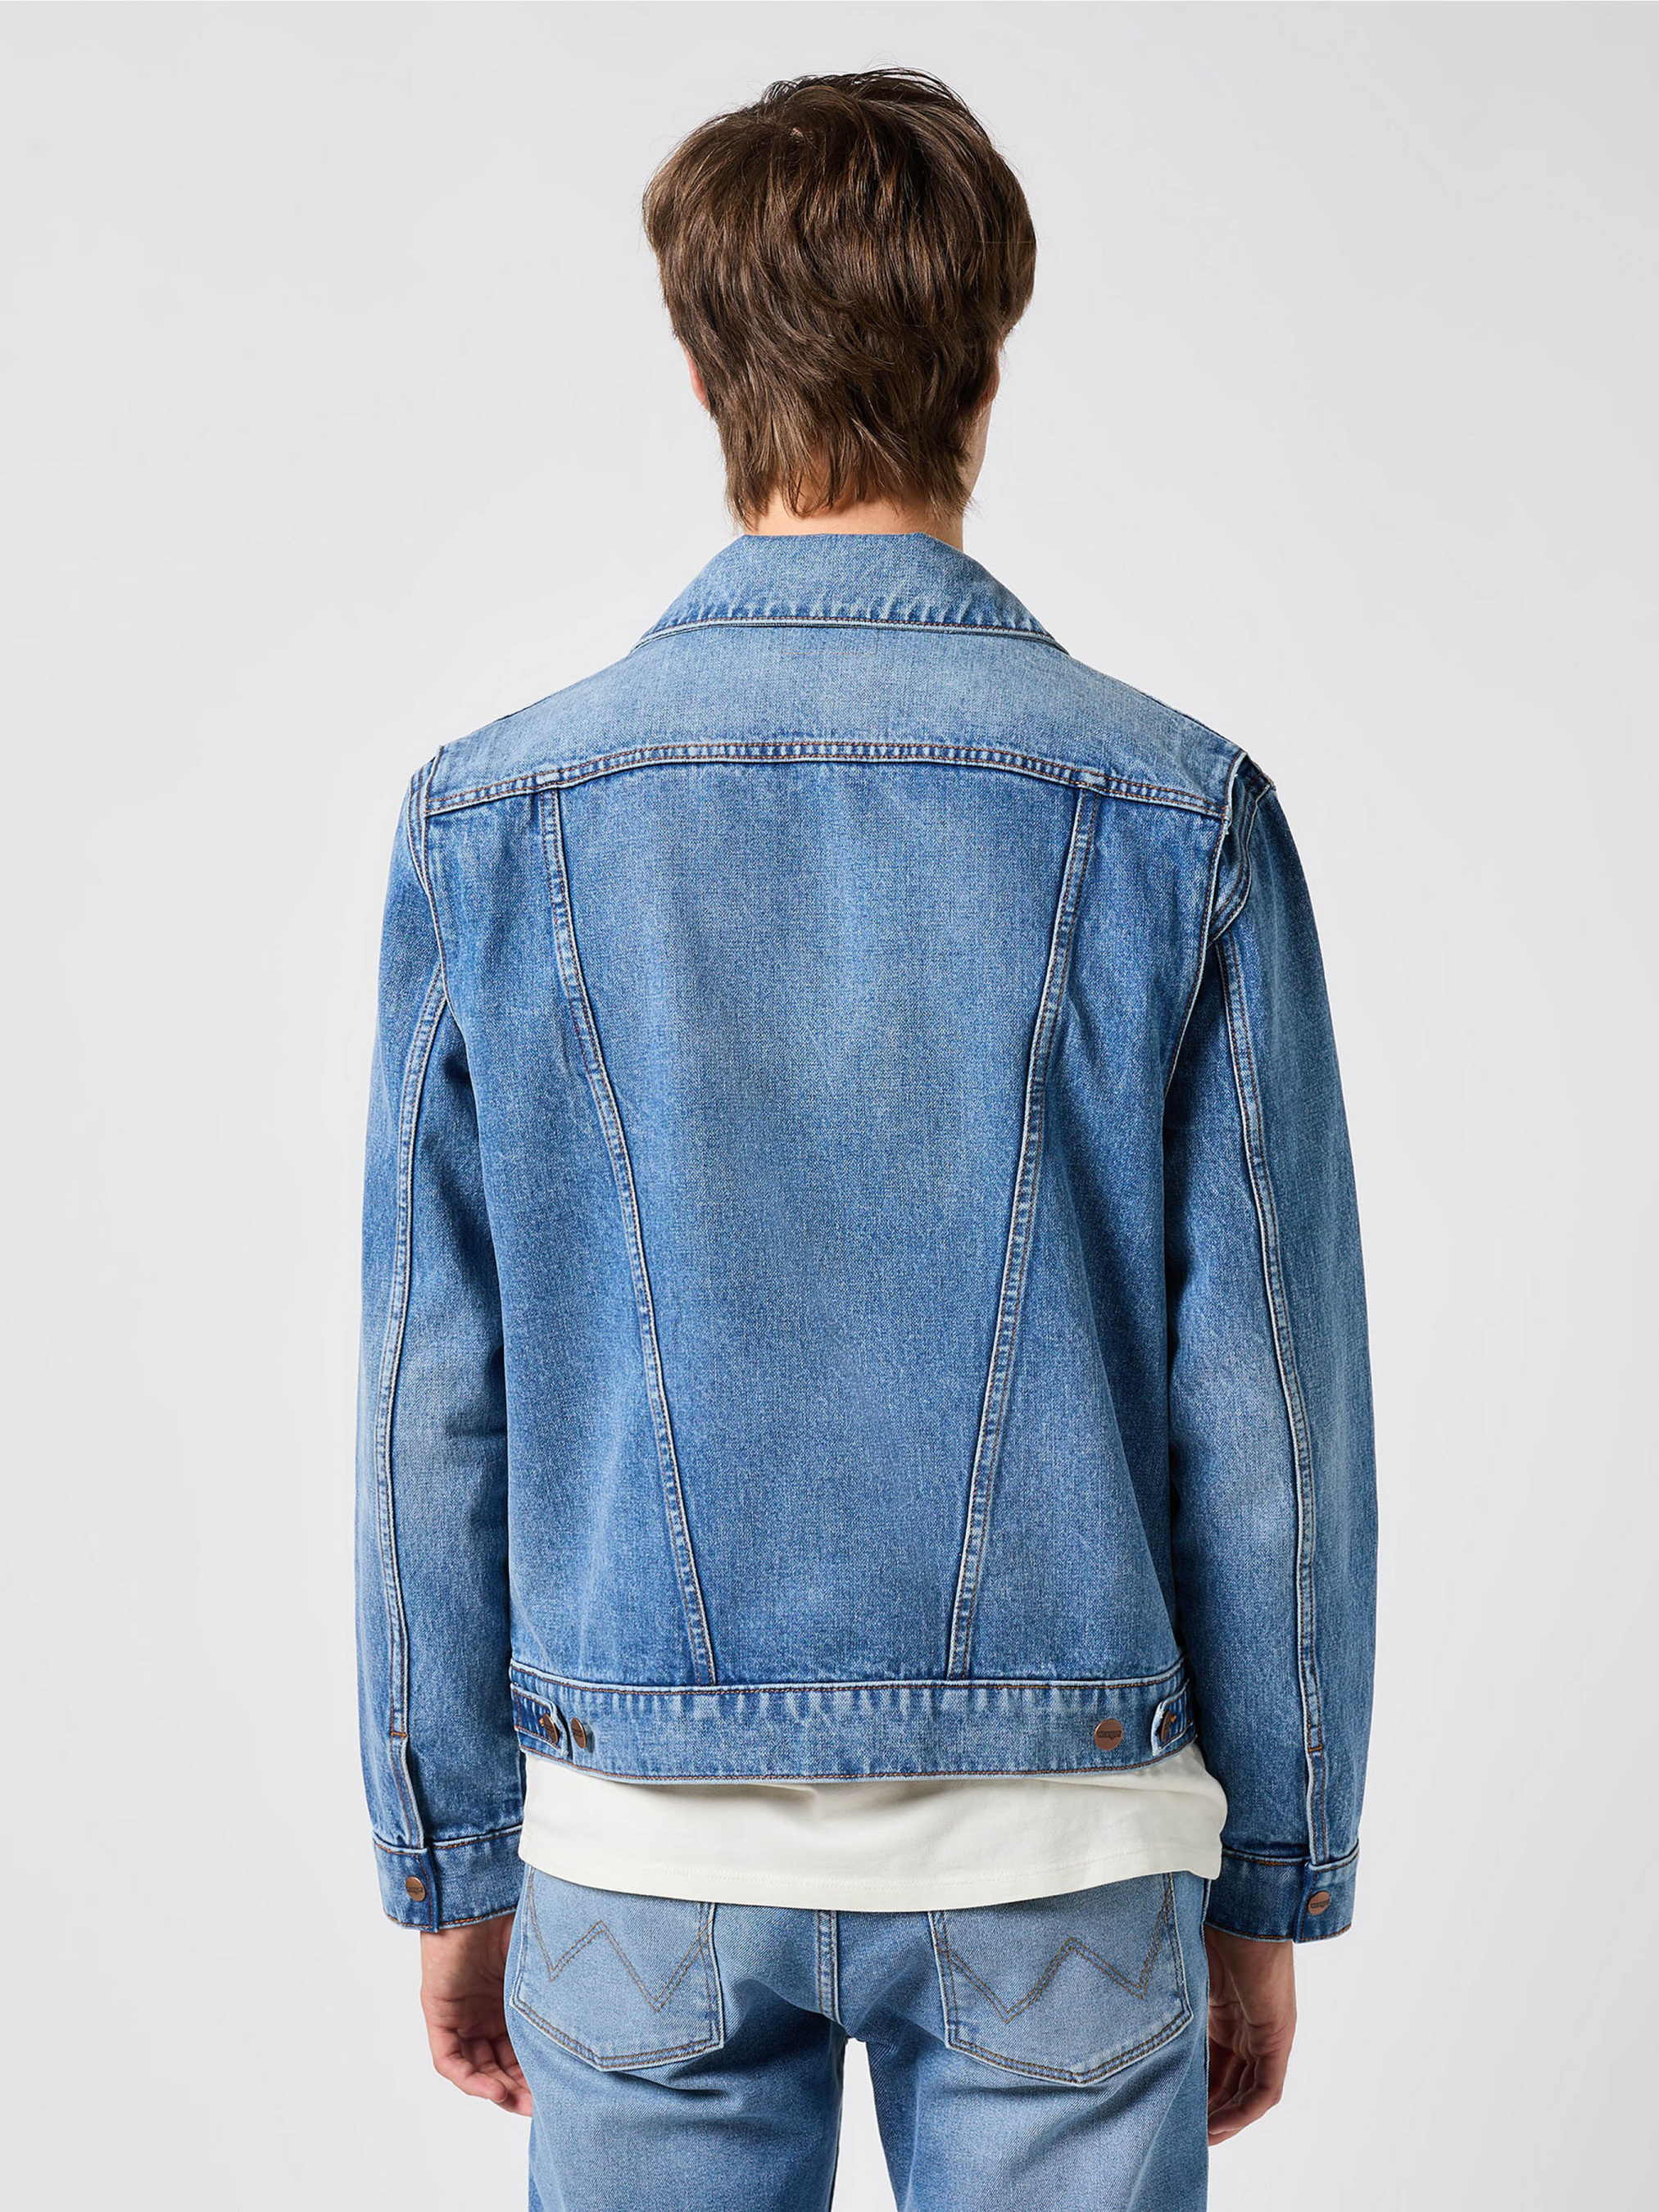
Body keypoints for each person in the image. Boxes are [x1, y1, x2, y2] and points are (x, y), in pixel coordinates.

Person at [356, 67, 1376, 2211]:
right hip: (1062, 1851)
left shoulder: (494, 822)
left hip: (635, 1851)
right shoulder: (1174, 814)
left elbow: (431, 1399)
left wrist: (456, 1852)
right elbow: (1270, 1409)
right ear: (985, 365)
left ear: (703, 368)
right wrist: (1270, 1869)